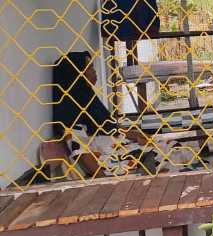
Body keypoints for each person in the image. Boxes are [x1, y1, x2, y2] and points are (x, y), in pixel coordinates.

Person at [51, 52, 186, 176]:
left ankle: (162, 172)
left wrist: (133, 134)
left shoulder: (87, 99)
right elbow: (81, 152)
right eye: (90, 68)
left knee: (172, 145)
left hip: (120, 148)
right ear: (76, 74)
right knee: (167, 153)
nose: (94, 71)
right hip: (112, 160)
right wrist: (104, 181)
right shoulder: (70, 114)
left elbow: (108, 128)